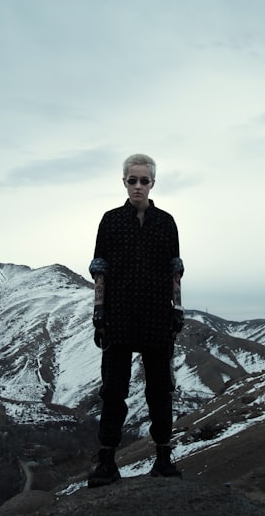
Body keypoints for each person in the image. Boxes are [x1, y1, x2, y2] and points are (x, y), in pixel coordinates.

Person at [87, 153, 185, 488]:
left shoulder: (166, 222)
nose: (138, 186)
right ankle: (106, 463)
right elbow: (100, 266)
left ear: (152, 183)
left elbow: (175, 269)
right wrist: (99, 312)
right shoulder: (111, 221)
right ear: (124, 182)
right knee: (113, 391)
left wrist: (178, 308)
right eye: (133, 180)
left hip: (157, 316)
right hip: (118, 316)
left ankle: (163, 459)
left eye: (144, 181)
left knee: (160, 391)